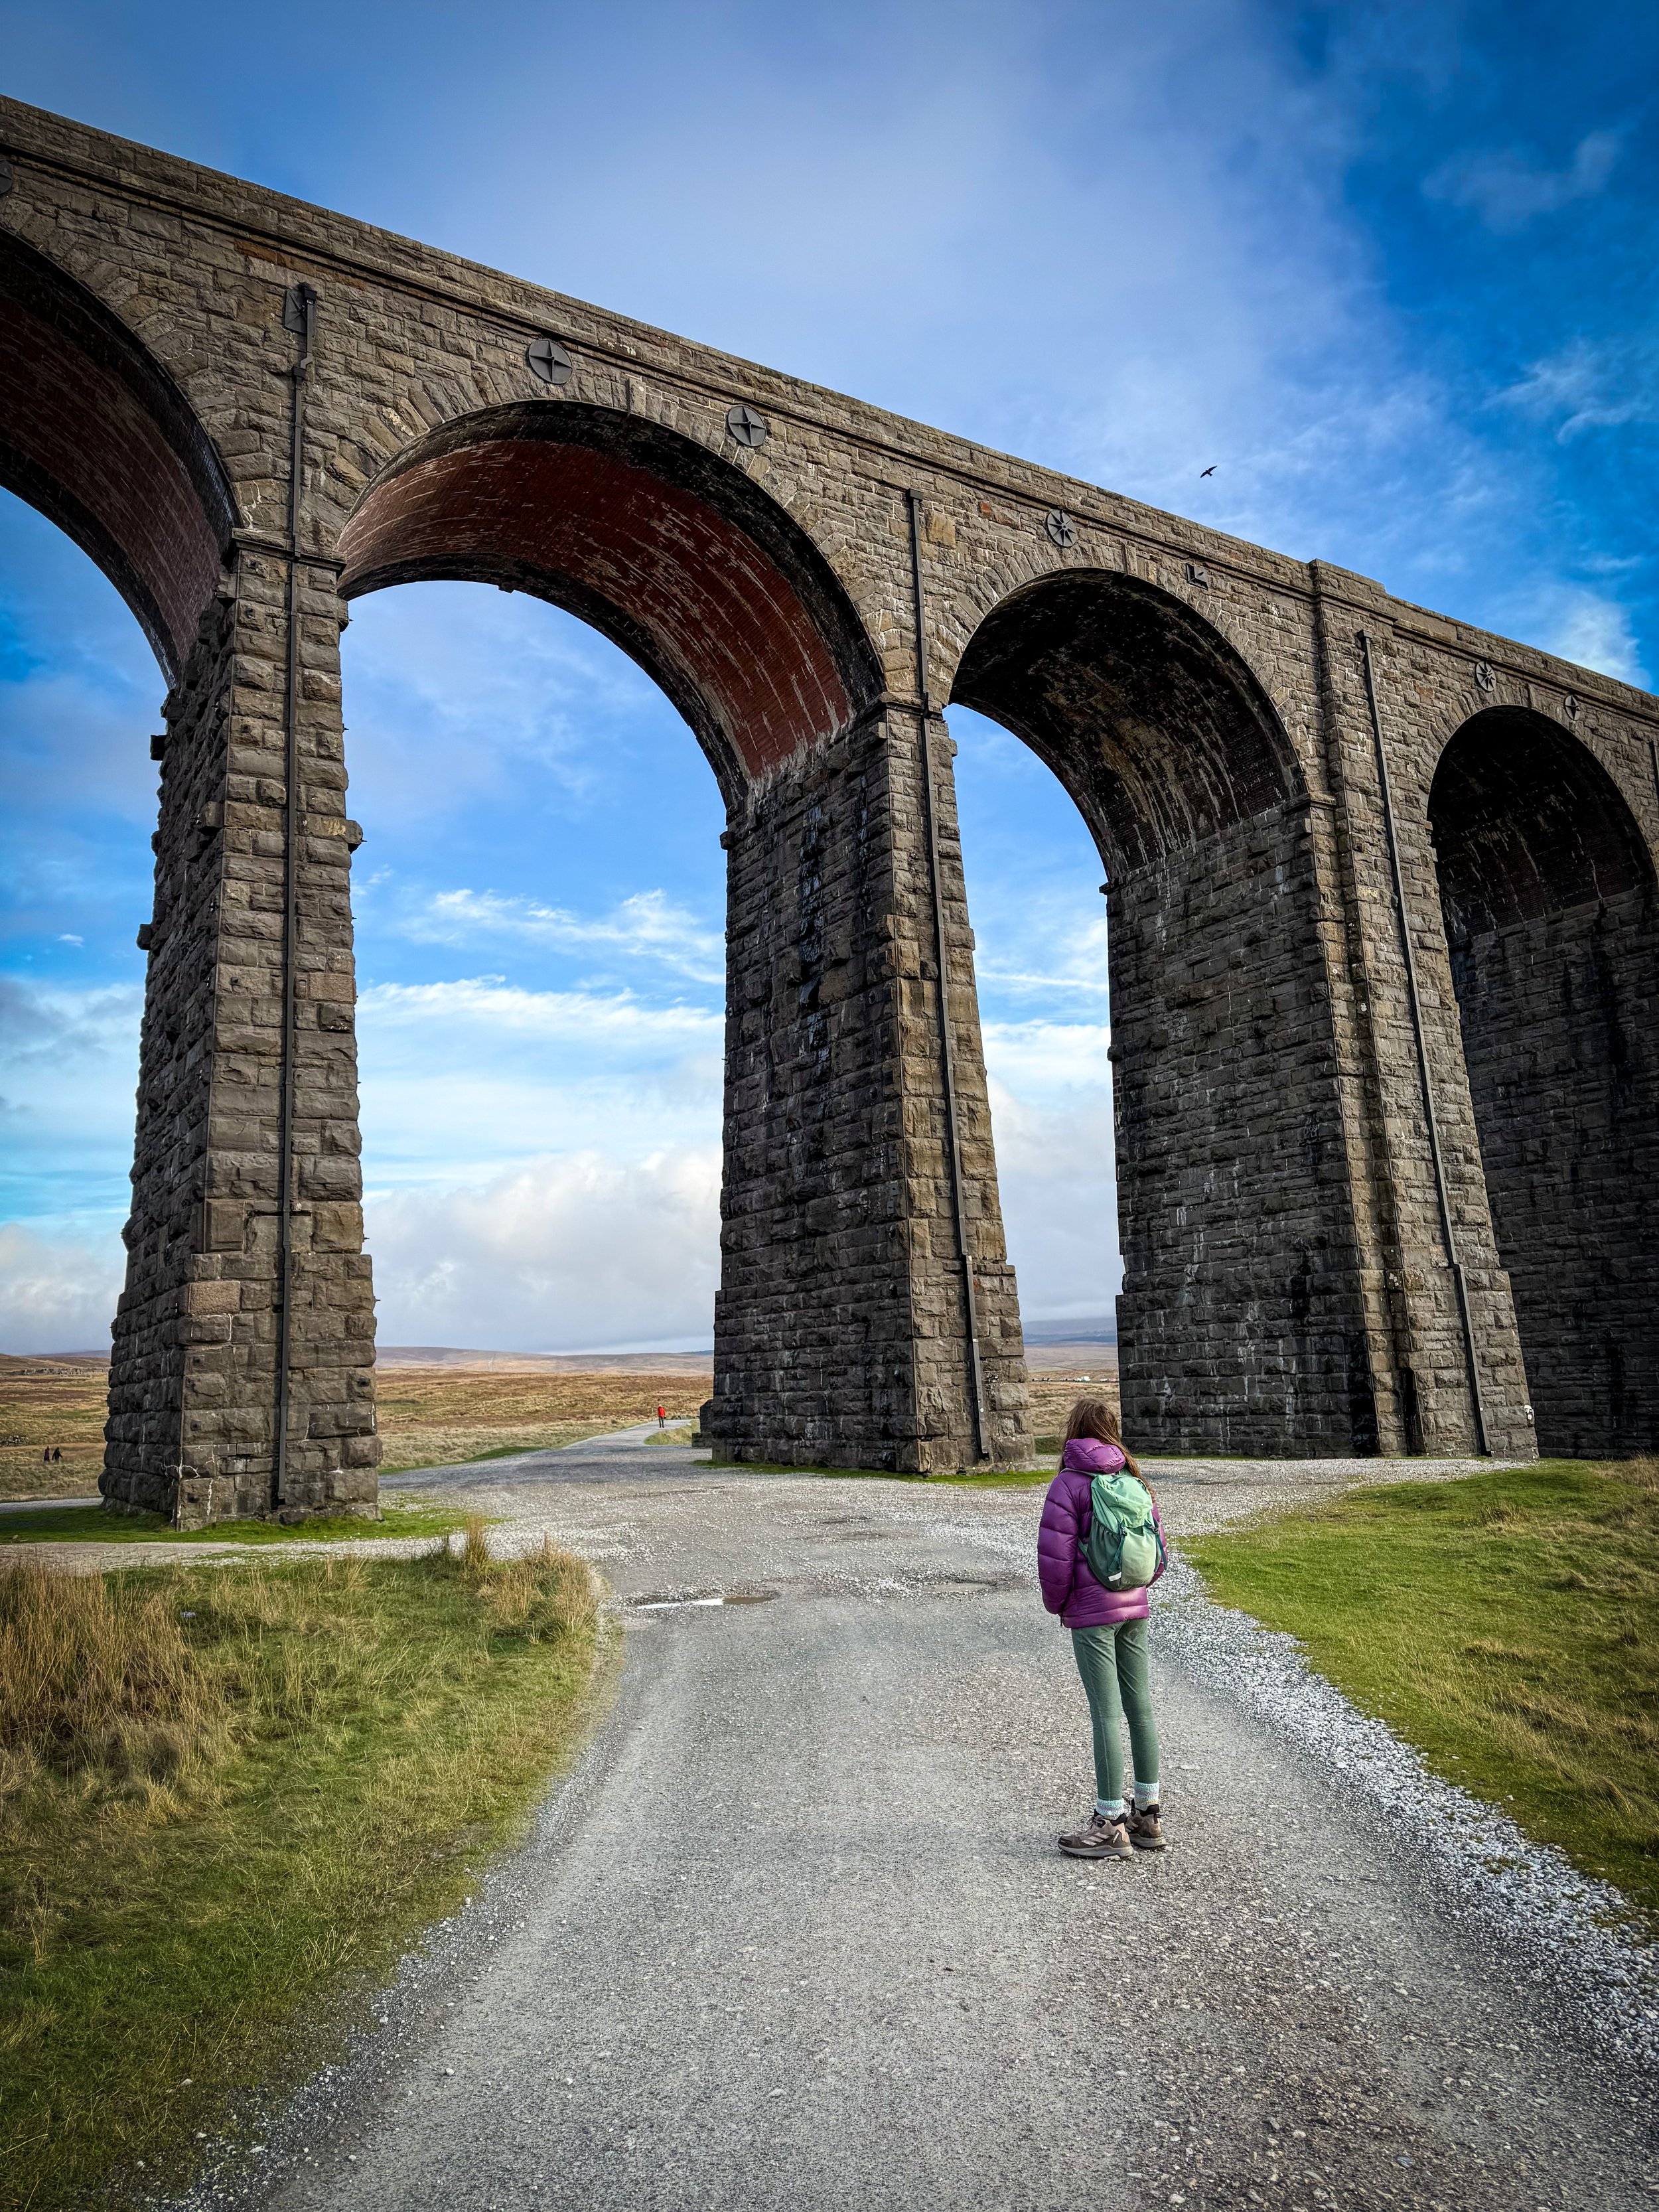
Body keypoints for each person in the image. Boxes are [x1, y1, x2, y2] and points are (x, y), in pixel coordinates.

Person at [1037, 1396, 1167, 1860]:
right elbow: (1159, 1551)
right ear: (1111, 1430)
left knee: (1106, 1713)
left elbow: (1055, 1559)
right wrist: (1135, 1587)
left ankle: (1110, 1821)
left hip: (1092, 1615)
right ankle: (1147, 1815)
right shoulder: (1133, 1477)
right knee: (1141, 1707)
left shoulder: (1068, 1484)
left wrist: (1060, 1605)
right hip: (1136, 1608)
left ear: (1073, 1431)